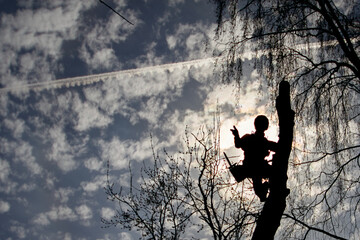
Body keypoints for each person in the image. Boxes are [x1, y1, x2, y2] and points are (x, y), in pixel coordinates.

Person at [230, 115, 277, 202]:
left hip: (254, 167)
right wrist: (236, 135)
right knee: (271, 177)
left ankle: (267, 189)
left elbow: (238, 144)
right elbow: (238, 144)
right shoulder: (256, 140)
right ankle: (267, 189)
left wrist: (236, 135)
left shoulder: (258, 140)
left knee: (271, 176)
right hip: (254, 167)